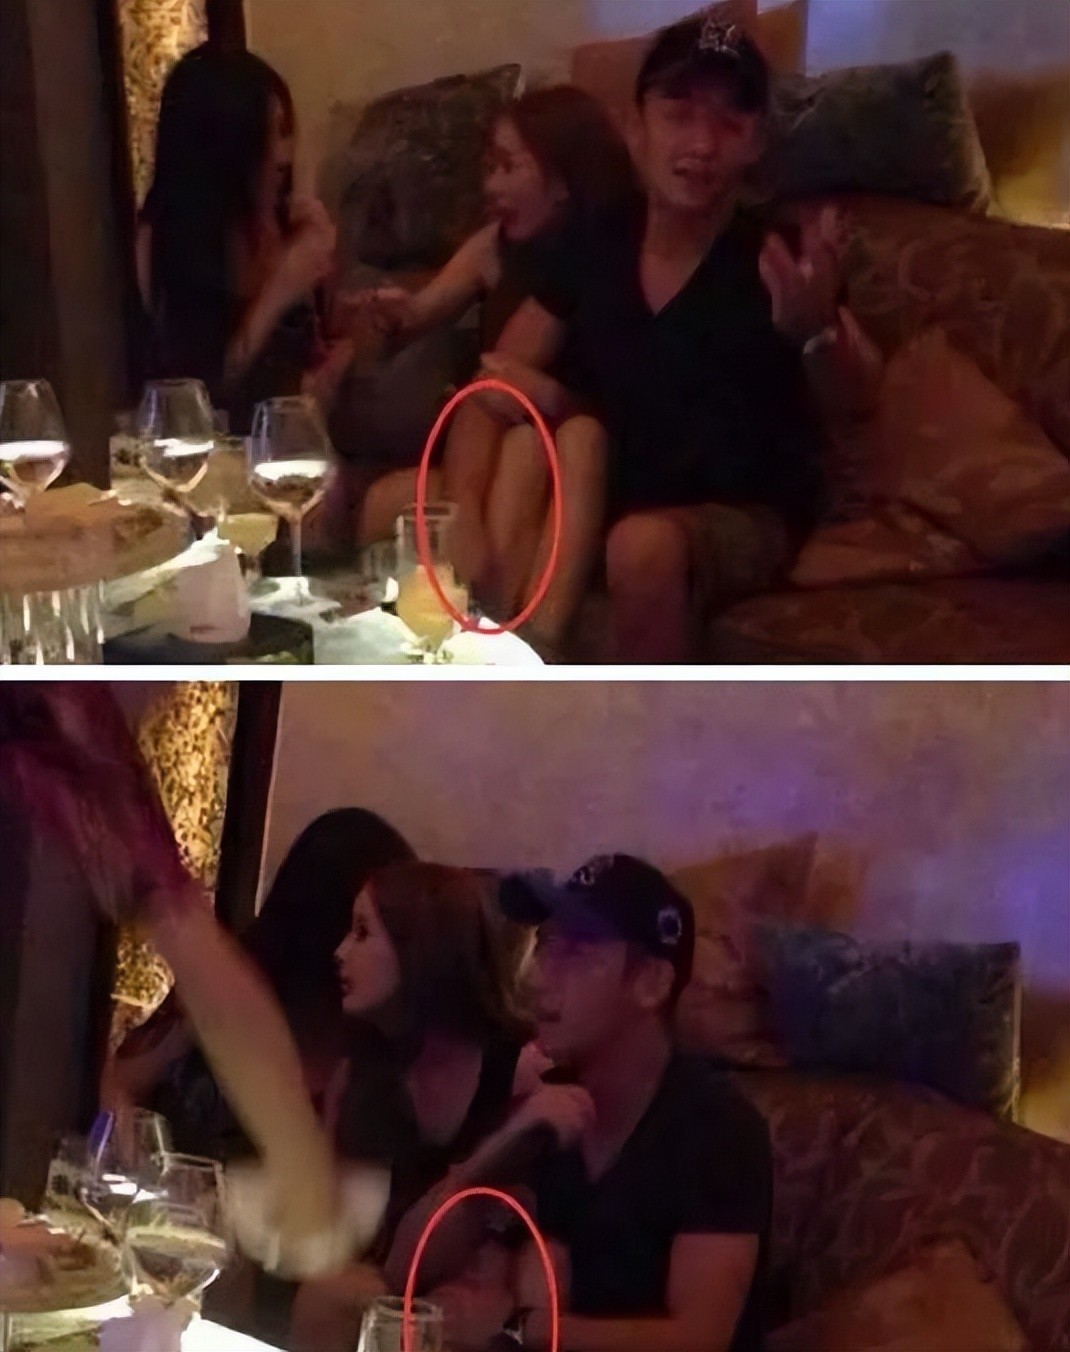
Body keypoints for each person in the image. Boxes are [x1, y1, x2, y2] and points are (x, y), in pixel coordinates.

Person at [465, 14, 885, 661]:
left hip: (739, 511)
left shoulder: (777, 253)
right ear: (636, 128)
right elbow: (493, 383)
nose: (702, 144)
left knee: (642, 546)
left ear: (755, 142)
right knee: (405, 499)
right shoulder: (598, 237)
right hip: (603, 485)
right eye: (679, 114)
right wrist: (465, 509)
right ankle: (490, 670)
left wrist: (817, 332)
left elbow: (859, 398)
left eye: (729, 123)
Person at [407, 854, 773, 1352]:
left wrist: (518, 1329)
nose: (538, 978)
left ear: (651, 983)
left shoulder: (717, 1127)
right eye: (546, 946)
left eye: (576, 951)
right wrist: (493, 1156)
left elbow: (699, 1339)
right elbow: (403, 1273)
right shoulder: (543, 1102)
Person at [345, 87, 635, 647]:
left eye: (508, 167)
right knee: (385, 502)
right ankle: (392, 648)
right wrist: (390, 313)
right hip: (499, 445)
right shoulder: (494, 245)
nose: (490, 187)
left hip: (575, 464)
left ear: (562, 181)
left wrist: (467, 517)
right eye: (488, 168)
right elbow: (424, 320)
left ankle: (506, 641)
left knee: (527, 449)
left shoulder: (604, 255)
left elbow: (506, 383)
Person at [289, 862, 538, 1352]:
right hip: (378, 1282)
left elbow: (503, 1243)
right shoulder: (357, 1069)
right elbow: (331, 1233)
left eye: (363, 933)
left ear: (421, 948)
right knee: (328, 1294)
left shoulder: (517, 1073)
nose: (340, 952)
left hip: (467, 1296)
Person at [104, 807, 416, 1161]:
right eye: (361, 928)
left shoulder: (376, 1047)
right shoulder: (233, 983)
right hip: (171, 1189)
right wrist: (135, 1161)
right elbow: (119, 1084)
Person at [138, 44, 355, 434]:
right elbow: (199, 402)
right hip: (220, 444)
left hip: (301, 436)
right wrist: (279, 292)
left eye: (285, 131)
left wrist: (340, 294)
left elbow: (325, 342)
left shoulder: (284, 220)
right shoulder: (165, 241)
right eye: (269, 136)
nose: (284, 155)